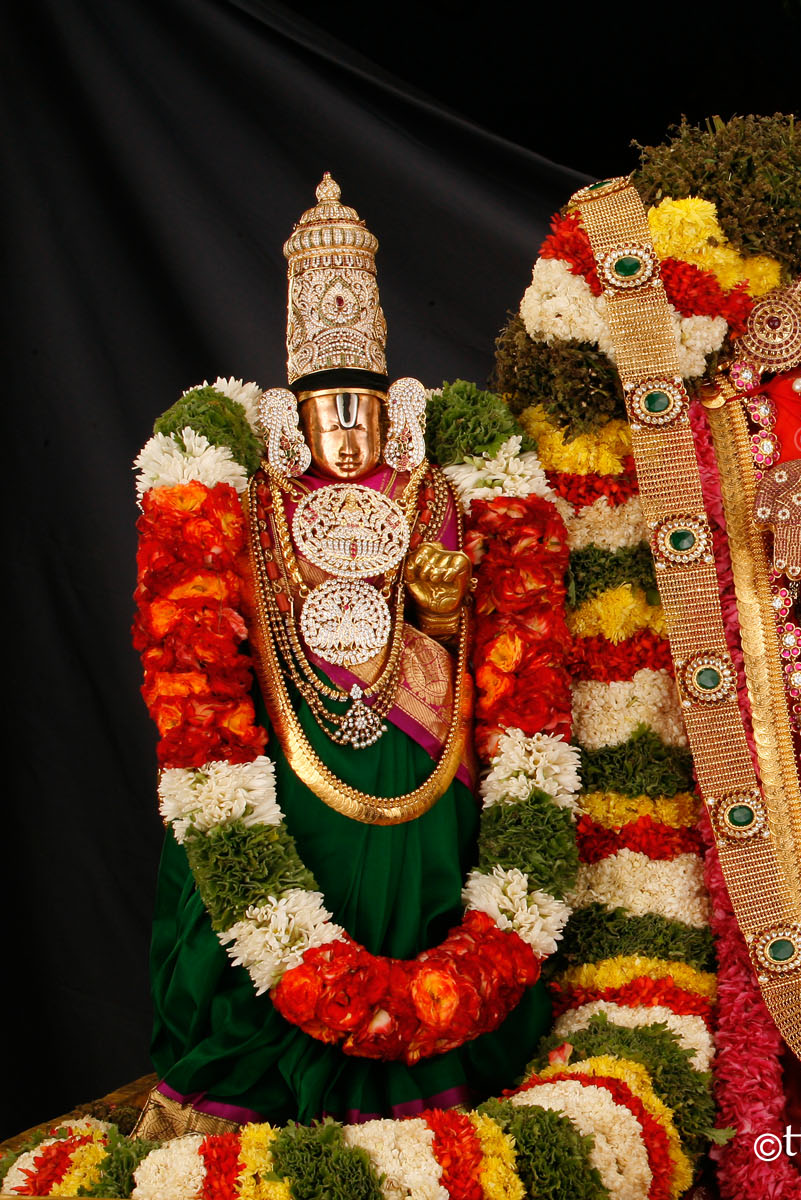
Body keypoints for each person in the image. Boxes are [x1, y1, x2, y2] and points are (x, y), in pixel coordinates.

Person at [135, 177, 548, 1135]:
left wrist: (444, 610)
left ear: (393, 409)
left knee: (427, 875)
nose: (352, 431)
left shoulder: (437, 492)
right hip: (296, 744)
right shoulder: (255, 501)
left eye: (365, 410)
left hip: (419, 742)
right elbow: (218, 633)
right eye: (332, 415)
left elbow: (475, 641)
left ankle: (421, 1085)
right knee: (270, 890)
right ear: (295, 421)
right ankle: (261, 1089)